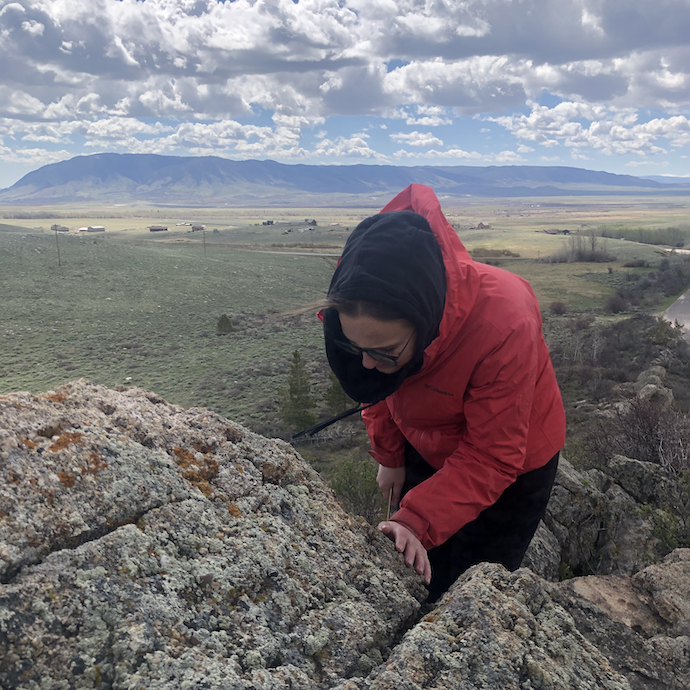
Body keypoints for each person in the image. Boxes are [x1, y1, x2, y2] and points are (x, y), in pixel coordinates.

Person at [321, 183, 566, 602]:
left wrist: (418, 518)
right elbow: (376, 384)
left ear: (427, 320)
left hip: (514, 464)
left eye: (382, 351)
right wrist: (390, 456)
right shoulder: (362, 301)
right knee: (417, 583)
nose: (365, 362)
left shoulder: (504, 322)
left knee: (471, 592)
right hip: (425, 441)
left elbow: (493, 454)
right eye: (355, 348)